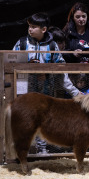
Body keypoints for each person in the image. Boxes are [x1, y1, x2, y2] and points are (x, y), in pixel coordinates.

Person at [13, 12, 64, 154]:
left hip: (45, 88)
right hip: (25, 88)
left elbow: (61, 64)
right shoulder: (22, 43)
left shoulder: (53, 45)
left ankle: (42, 147)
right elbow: (10, 62)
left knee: (43, 117)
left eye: (34, 27)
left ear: (44, 29)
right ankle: (23, 148)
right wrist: (26, 66)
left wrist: (47, 72)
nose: (30, 29)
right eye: (29, 26)